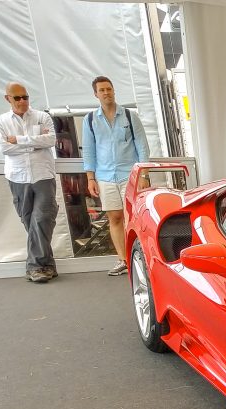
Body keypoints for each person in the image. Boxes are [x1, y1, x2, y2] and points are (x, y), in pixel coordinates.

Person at [83, 75, 150, 276]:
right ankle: (123, 260)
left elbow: (142, 146)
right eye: (102, 90)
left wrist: (144, 174)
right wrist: (90, 178)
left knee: (134, 217)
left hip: (130, 174)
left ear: (114, 90)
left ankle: (141, 258)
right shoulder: (90, 120)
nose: (106, 93)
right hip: (105, 176)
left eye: (109, 89)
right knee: (115, 217)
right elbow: (89, 150)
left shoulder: (129, 116)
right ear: (96, 94)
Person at [0, 82, 58, 283]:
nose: (22, 101)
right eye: (17, 98)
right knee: (29, 220)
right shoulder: (1, 121)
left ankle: (35, 267)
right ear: (8, 99)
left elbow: (50, 140)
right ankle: (47, 264)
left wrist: (20, 140)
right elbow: (5, 149)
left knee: (42, 218)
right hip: (18, 176)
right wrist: (34, 141)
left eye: (25, 97)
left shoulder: (42, 116)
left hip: (43, 175)